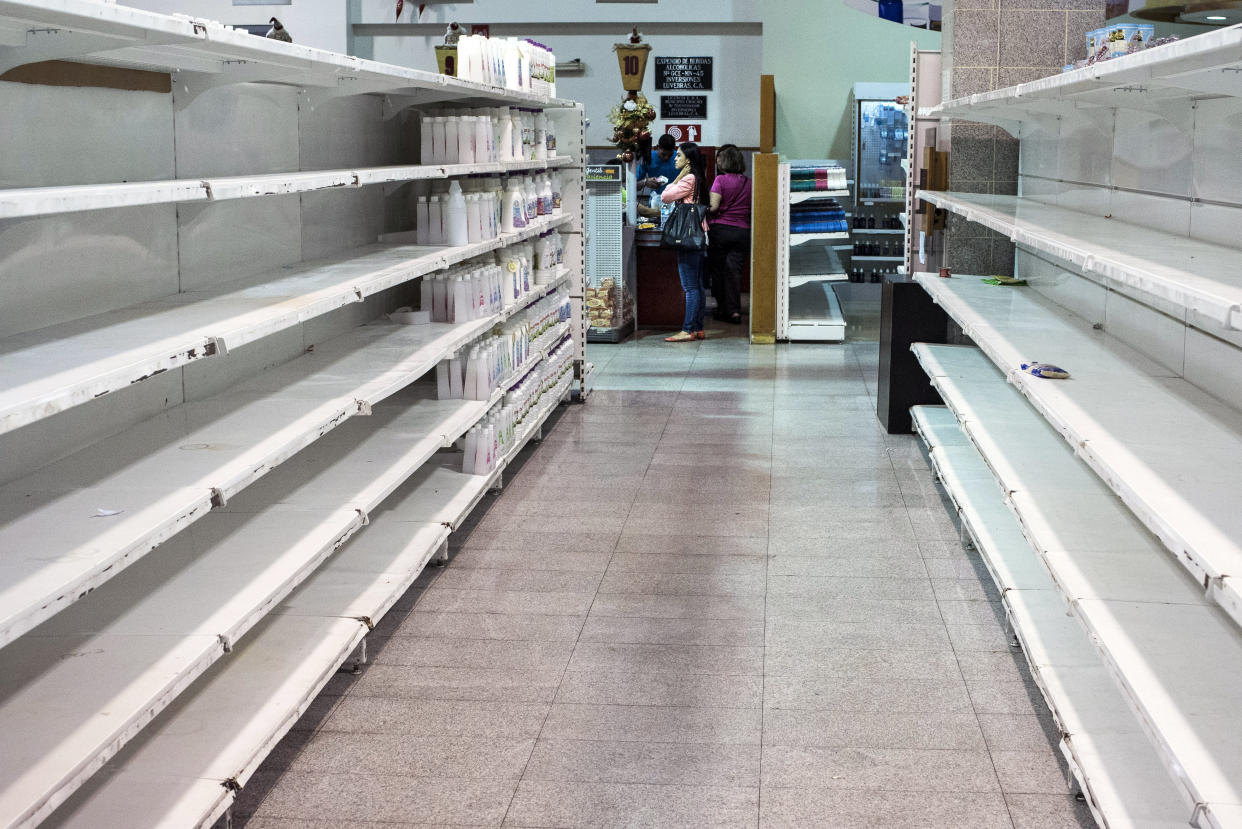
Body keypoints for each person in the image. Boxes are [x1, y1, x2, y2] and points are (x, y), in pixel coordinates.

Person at [660, 142, 710, 342]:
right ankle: (697, 327)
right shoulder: (698, 178)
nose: (675, 158)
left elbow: (665, 196)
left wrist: (677, 179)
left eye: (679, 155)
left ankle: (687, 329)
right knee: (697, 285)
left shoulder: (688, 178)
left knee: (690, 286)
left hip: (688, 237)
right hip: (699, 234)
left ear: (688, 160)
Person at [706, 145, 752, 324]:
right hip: (742, 232)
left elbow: (714, 207)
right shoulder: (749, 182)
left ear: (723, 162)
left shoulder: (720, 180)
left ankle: (722, 308)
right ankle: (734, 311)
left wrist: (702, 210)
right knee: (734, 272)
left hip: (720, 231)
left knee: (718, 271)